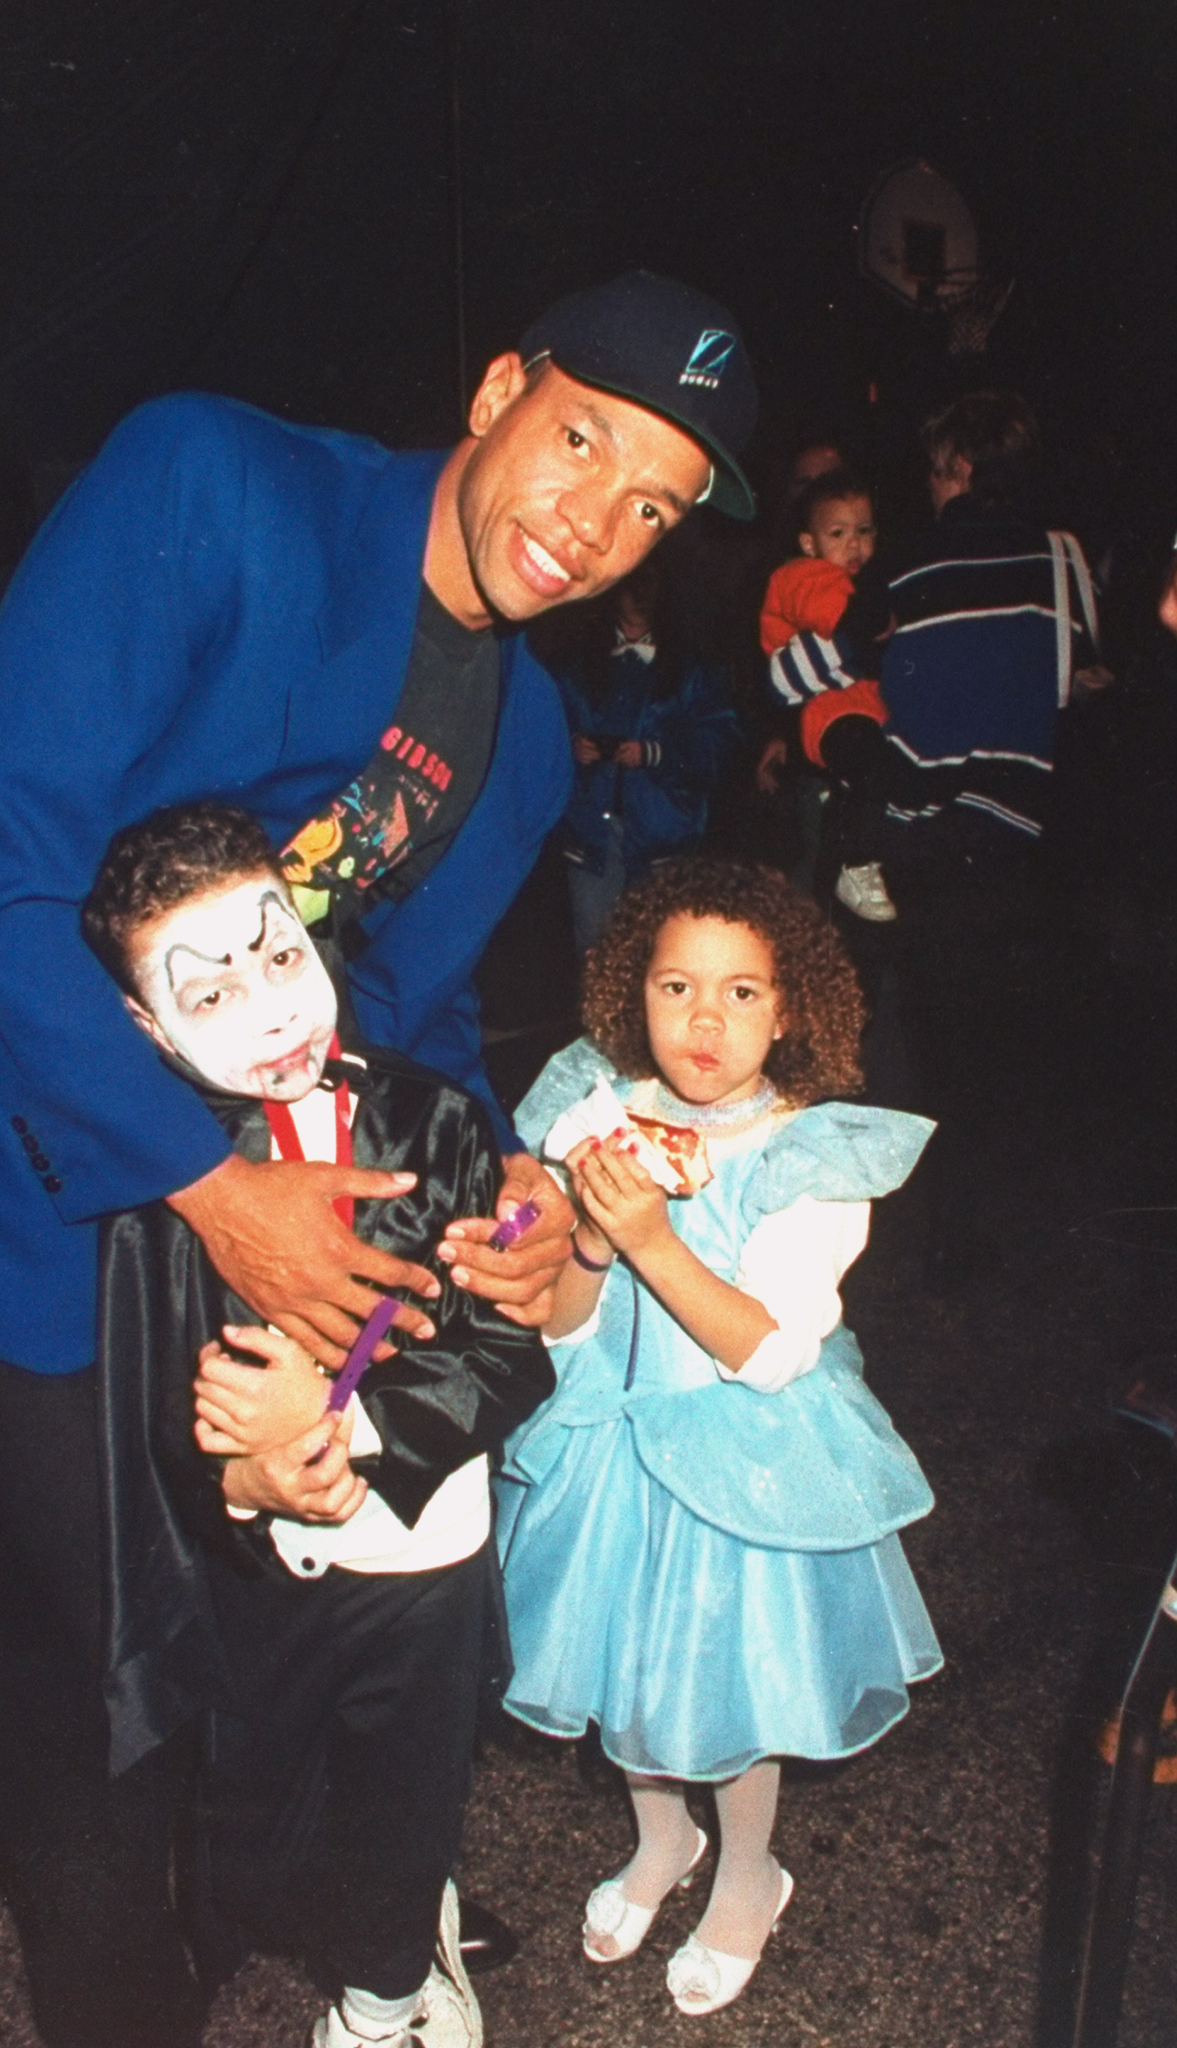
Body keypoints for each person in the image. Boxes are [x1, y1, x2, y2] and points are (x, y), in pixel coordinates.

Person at [0, 269, 760, 2048]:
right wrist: (204, 1181)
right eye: (581, 441)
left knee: (292, 1571)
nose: (596, 519)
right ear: (498, 385)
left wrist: (493, 1204)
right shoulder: (215, 489)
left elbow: (391, 1023)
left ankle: (308, 1893)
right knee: (88, 1656)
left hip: (239, 1200)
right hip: (4, 1160)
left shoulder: (528, 740)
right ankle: (117, 1997)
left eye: (651, 502)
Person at [79, 800, 555, 2048]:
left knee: (408, 1784)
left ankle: (386, 1998)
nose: (277, 1010)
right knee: (259, 1794)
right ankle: (350, 1917)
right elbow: (140, 1408)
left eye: (281, 956)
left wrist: (362, 1433)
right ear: (146, 1025)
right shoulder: (167, 1194)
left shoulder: (438, 1121)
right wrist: (242, 1473)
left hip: (420, 1555)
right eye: (213, 994)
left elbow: (509, 1348)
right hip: (259, 1568)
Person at [495, 859, 942, 2018]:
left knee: (737, 1688)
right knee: (623, 1667)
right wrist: (587, 1241)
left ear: (790, 1010)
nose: (705, 1018)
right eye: (676, 985)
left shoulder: (808, 1153)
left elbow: (769, 1347)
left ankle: (749, 1868)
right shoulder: (596, 1106)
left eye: (743, 993)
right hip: (612, 1438)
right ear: (629, 992)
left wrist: (647, 1236)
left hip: (743, 1456)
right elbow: (563, 1321)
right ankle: (663, 1838)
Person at [875, 391, 1106, 1286]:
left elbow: (865, 665)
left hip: (921, 826)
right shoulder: (1059, 556)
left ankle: (938, 1230)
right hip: (1015, 823)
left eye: (937, 471)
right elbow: (1076, 670)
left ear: (960, 469)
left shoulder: (903, 562)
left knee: (934, 1029)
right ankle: (982, 1228)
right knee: (997, 1031)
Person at [537, 546, 739, 953]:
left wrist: (655, 754)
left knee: (660, 953)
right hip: (591, 836)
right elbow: (538, 738)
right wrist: (570, 747)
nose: (640, 595)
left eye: (651, 584)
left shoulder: (693, 671)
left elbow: (720, 746)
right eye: (632, 583)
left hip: (661, 841)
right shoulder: (575, 665)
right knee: (596, 952)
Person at [760, 469, 897, 920]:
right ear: (809, 543)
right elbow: (851, 623)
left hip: (856, 704)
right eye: (838, 534)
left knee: (872, 774)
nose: (854, 545)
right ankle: (856, 865)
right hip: (827, 710)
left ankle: (844, 820)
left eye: (864, 531)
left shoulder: (849, 577)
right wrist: (883, 620)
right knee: (869, 767)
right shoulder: (805, 575)